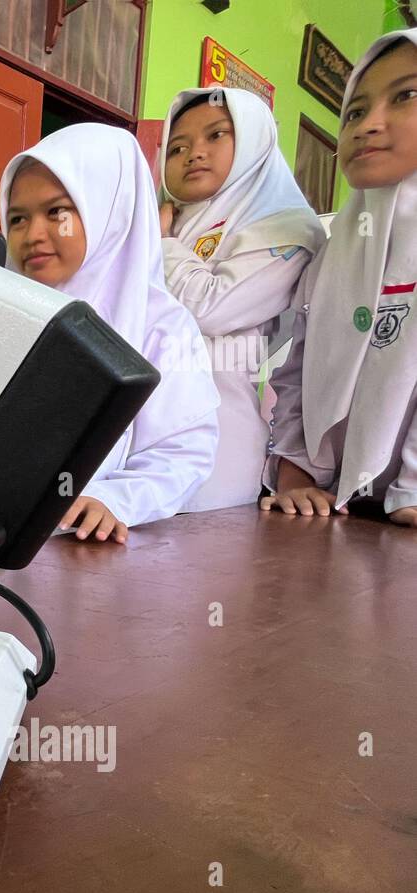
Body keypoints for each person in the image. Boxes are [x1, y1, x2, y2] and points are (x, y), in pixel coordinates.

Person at [0, 124, 219, 543]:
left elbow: (183, 453)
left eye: (57, 213)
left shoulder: (161, 327)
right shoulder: (1, 311)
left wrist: (115, 499)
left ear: (111, 210)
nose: (32, 235)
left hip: (83, 545)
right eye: (17, 218)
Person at [262, 28, 417, 526]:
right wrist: (293, 470)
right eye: (354, 111)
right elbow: (296, 372)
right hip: (334, 508)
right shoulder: (332, 251)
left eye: (406, 96)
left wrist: (411, 488)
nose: (368, 125)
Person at [158, 87, 325, 510]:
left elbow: (211, 309)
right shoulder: (170, 223)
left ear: (254, 141)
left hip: (215, 444)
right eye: (177, 147)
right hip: (136, 433)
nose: (194, 153)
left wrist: (158, 242)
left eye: (216, 135)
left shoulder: (286, 227)